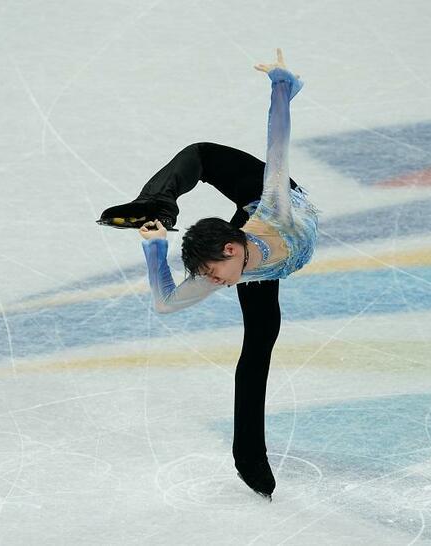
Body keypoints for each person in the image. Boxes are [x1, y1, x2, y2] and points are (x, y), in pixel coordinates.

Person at [98, 49, 319, 500]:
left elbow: (277, 143)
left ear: (231, 248)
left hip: (275, 209)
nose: (212, 282)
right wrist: (155, 249)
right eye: (207, 275)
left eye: (214, 271)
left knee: (203, 154)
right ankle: (158, 205)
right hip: (254, 256)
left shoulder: (274, 205)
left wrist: (281, 85)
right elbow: (166, 303)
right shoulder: (226, 268)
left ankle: (288, 85)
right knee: (257, 350)